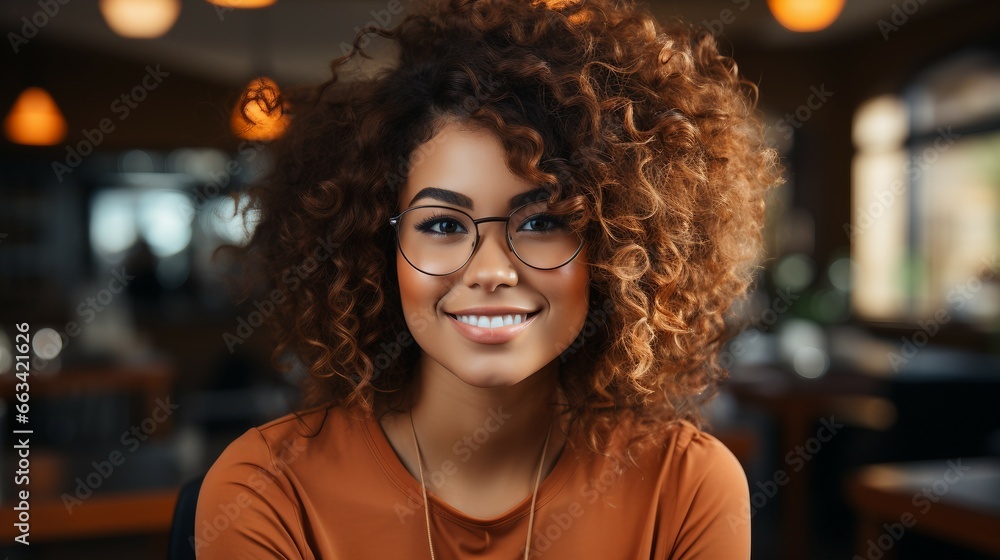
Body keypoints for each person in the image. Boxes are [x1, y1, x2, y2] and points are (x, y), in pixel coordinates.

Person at [195, 0, 779, 557]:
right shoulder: (268, 492)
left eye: (543, 221)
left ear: (615, 249)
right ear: (380, 248)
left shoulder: (685, 488)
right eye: (444, 224)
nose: (492, 271)